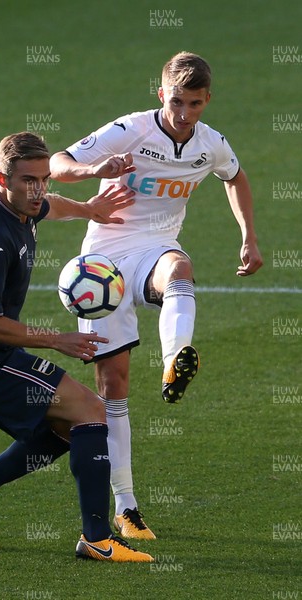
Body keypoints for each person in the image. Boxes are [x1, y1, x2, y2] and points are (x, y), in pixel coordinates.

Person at [50, 51, 263, 539]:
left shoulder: (210, 145)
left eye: (194, 104)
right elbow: (59, 163)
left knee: (181, 269)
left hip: (156, 247)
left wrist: (248, 236)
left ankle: (175, 357)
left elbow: (236, 177)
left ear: (207, 100)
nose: (184, 113)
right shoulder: (130, 130)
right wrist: (96, 169)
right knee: (114, 389)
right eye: (176, 101)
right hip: (103, 262)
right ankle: (126, 506)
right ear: (159, 92)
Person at [0, 131, 154, 562]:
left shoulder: (19, 203)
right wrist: (59, 340)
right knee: (92, 412)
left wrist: (89, 209)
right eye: (28, 181)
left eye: (43, 179)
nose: (39, 190)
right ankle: (96, 539)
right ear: (2, 179)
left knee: (68, 429)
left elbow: (49, 206)